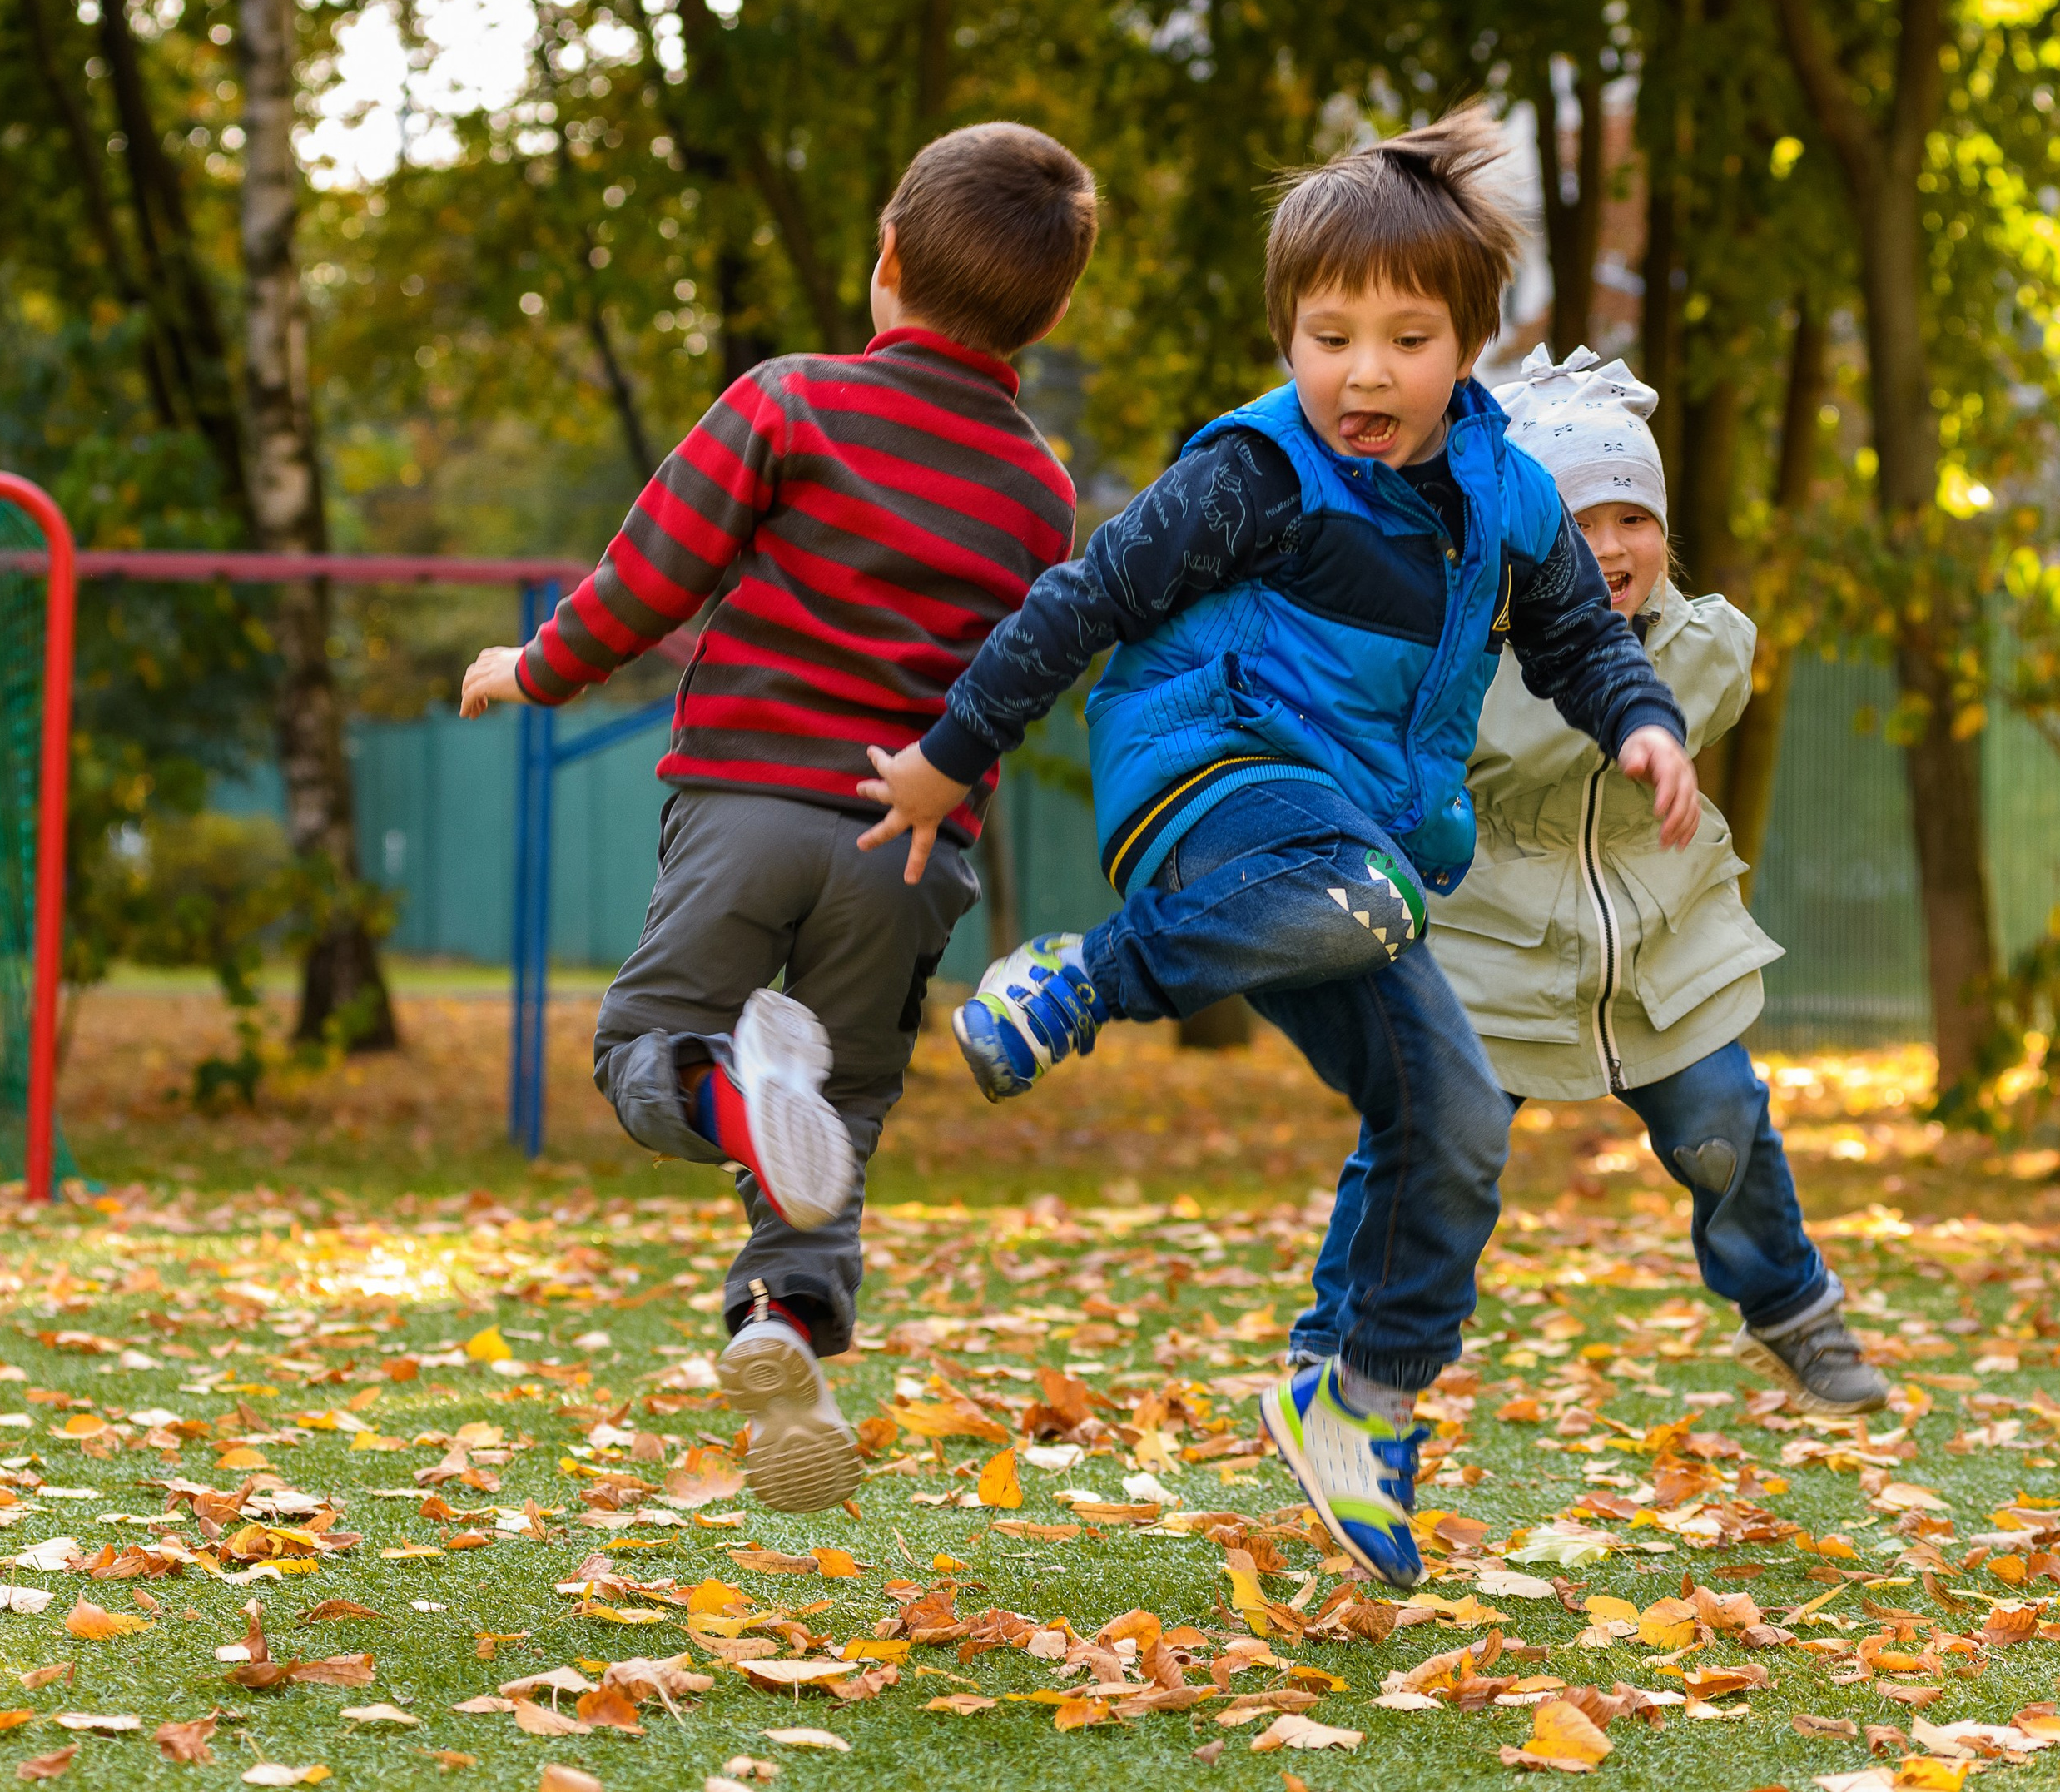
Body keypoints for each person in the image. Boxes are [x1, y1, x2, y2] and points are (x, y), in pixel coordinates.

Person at [855, 107, 1700, 1585]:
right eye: (1328, 337)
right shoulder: (1255, 475)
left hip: (1347, 865)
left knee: (1455, 1113)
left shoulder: (1507, 499)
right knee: (1366, 894)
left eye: (1408, 339)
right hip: (1210, 777)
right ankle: (1080, 983)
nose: (1363, 373)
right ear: (1288, 338)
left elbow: (1580, 636)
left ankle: (1357, 1397)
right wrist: (948, 756)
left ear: (1471, 348)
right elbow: (1083, 600)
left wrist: (1645, 723)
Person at [459, 122, 1097, 1513]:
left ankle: (736, 1102)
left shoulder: (791, 402)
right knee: (847, 1105)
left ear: (885, 263)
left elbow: (650, 578)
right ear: (1049, 316)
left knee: (647, 1047)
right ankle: (785, 1330)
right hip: (910, 849)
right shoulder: (1041, 490)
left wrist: (535, 670)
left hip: (746, 805)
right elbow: (1020, 675)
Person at [1291, 347, 1889, 1417]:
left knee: (1722, 1125)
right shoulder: (1460, 663)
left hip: (1659, 941)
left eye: (1635, 517)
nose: (1612, 547)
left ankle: (1793, 1307)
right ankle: (1338, 1351)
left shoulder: (1705, 652)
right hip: (1492, 946)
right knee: (1431, 1146)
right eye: (1580, 521)